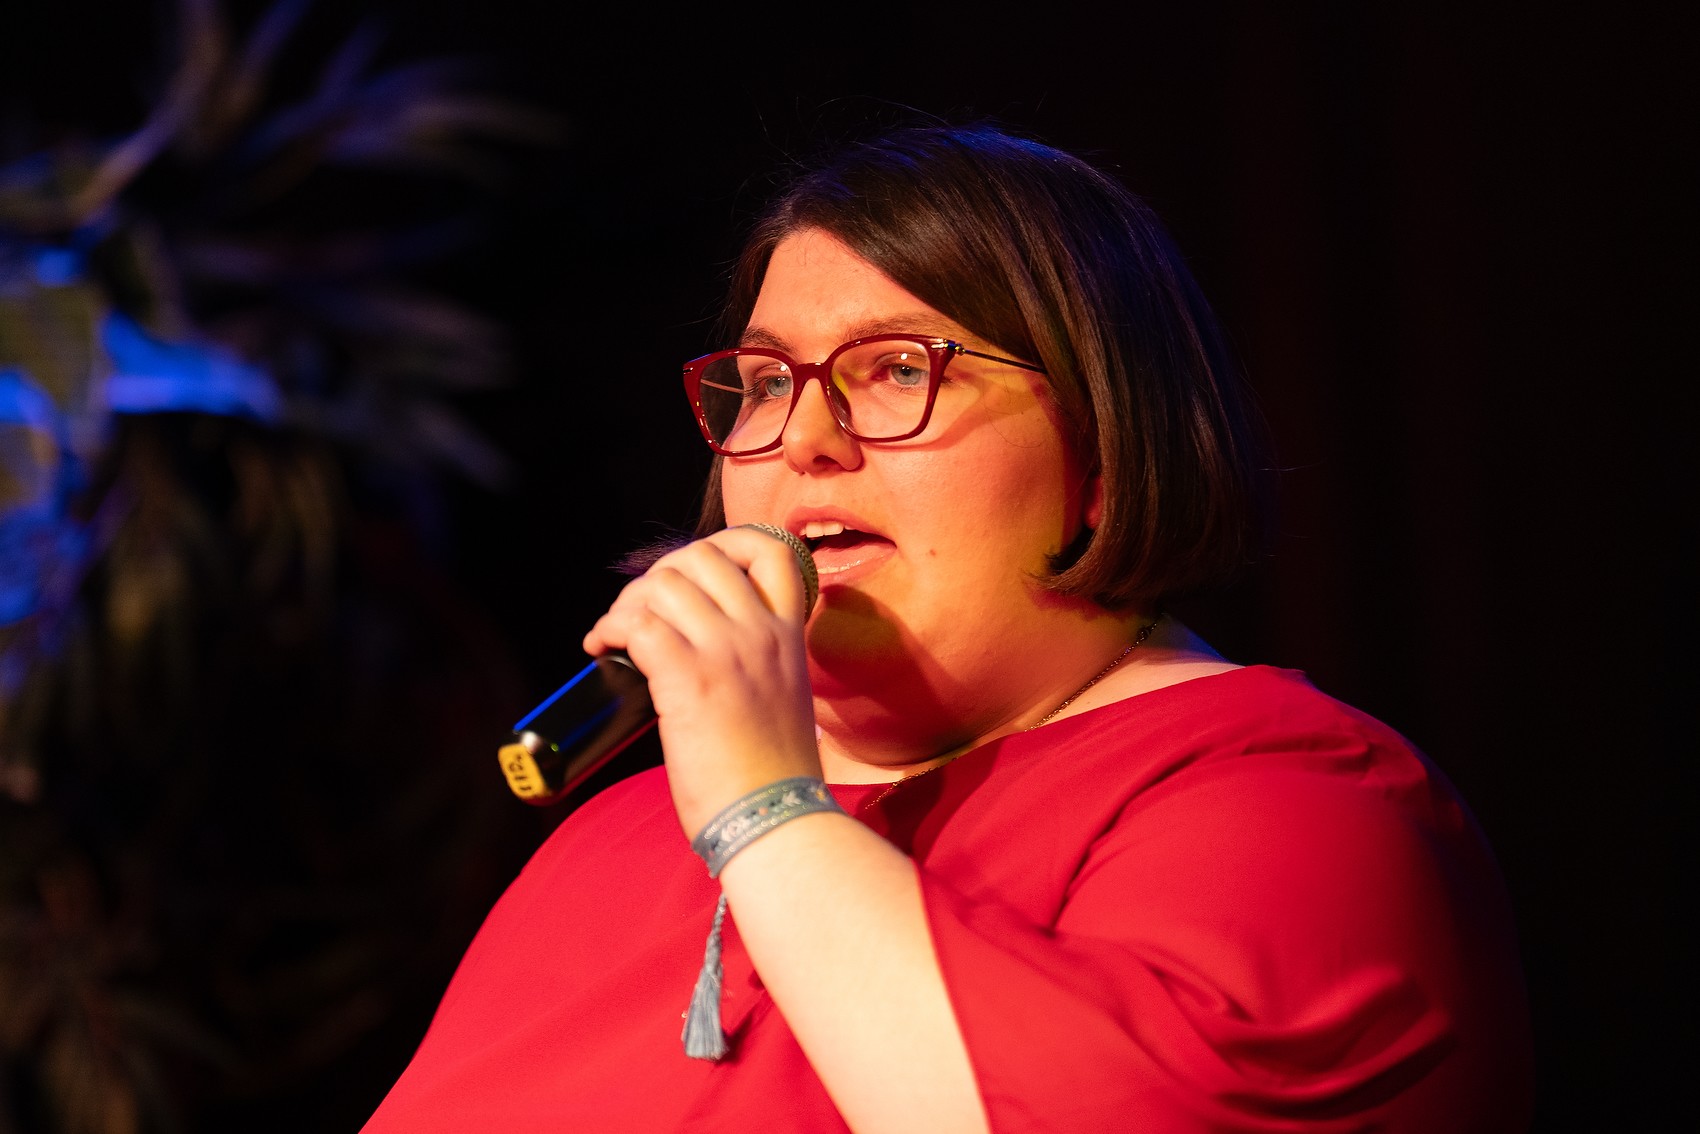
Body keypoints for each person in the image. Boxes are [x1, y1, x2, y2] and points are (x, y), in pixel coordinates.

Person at [362, 124, 1533, 1133]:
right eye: (763, 383)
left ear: (1101, 448)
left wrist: (759, 813)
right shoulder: (619, 842)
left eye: (892, 371)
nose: (802, 439)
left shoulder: (1294, 801)